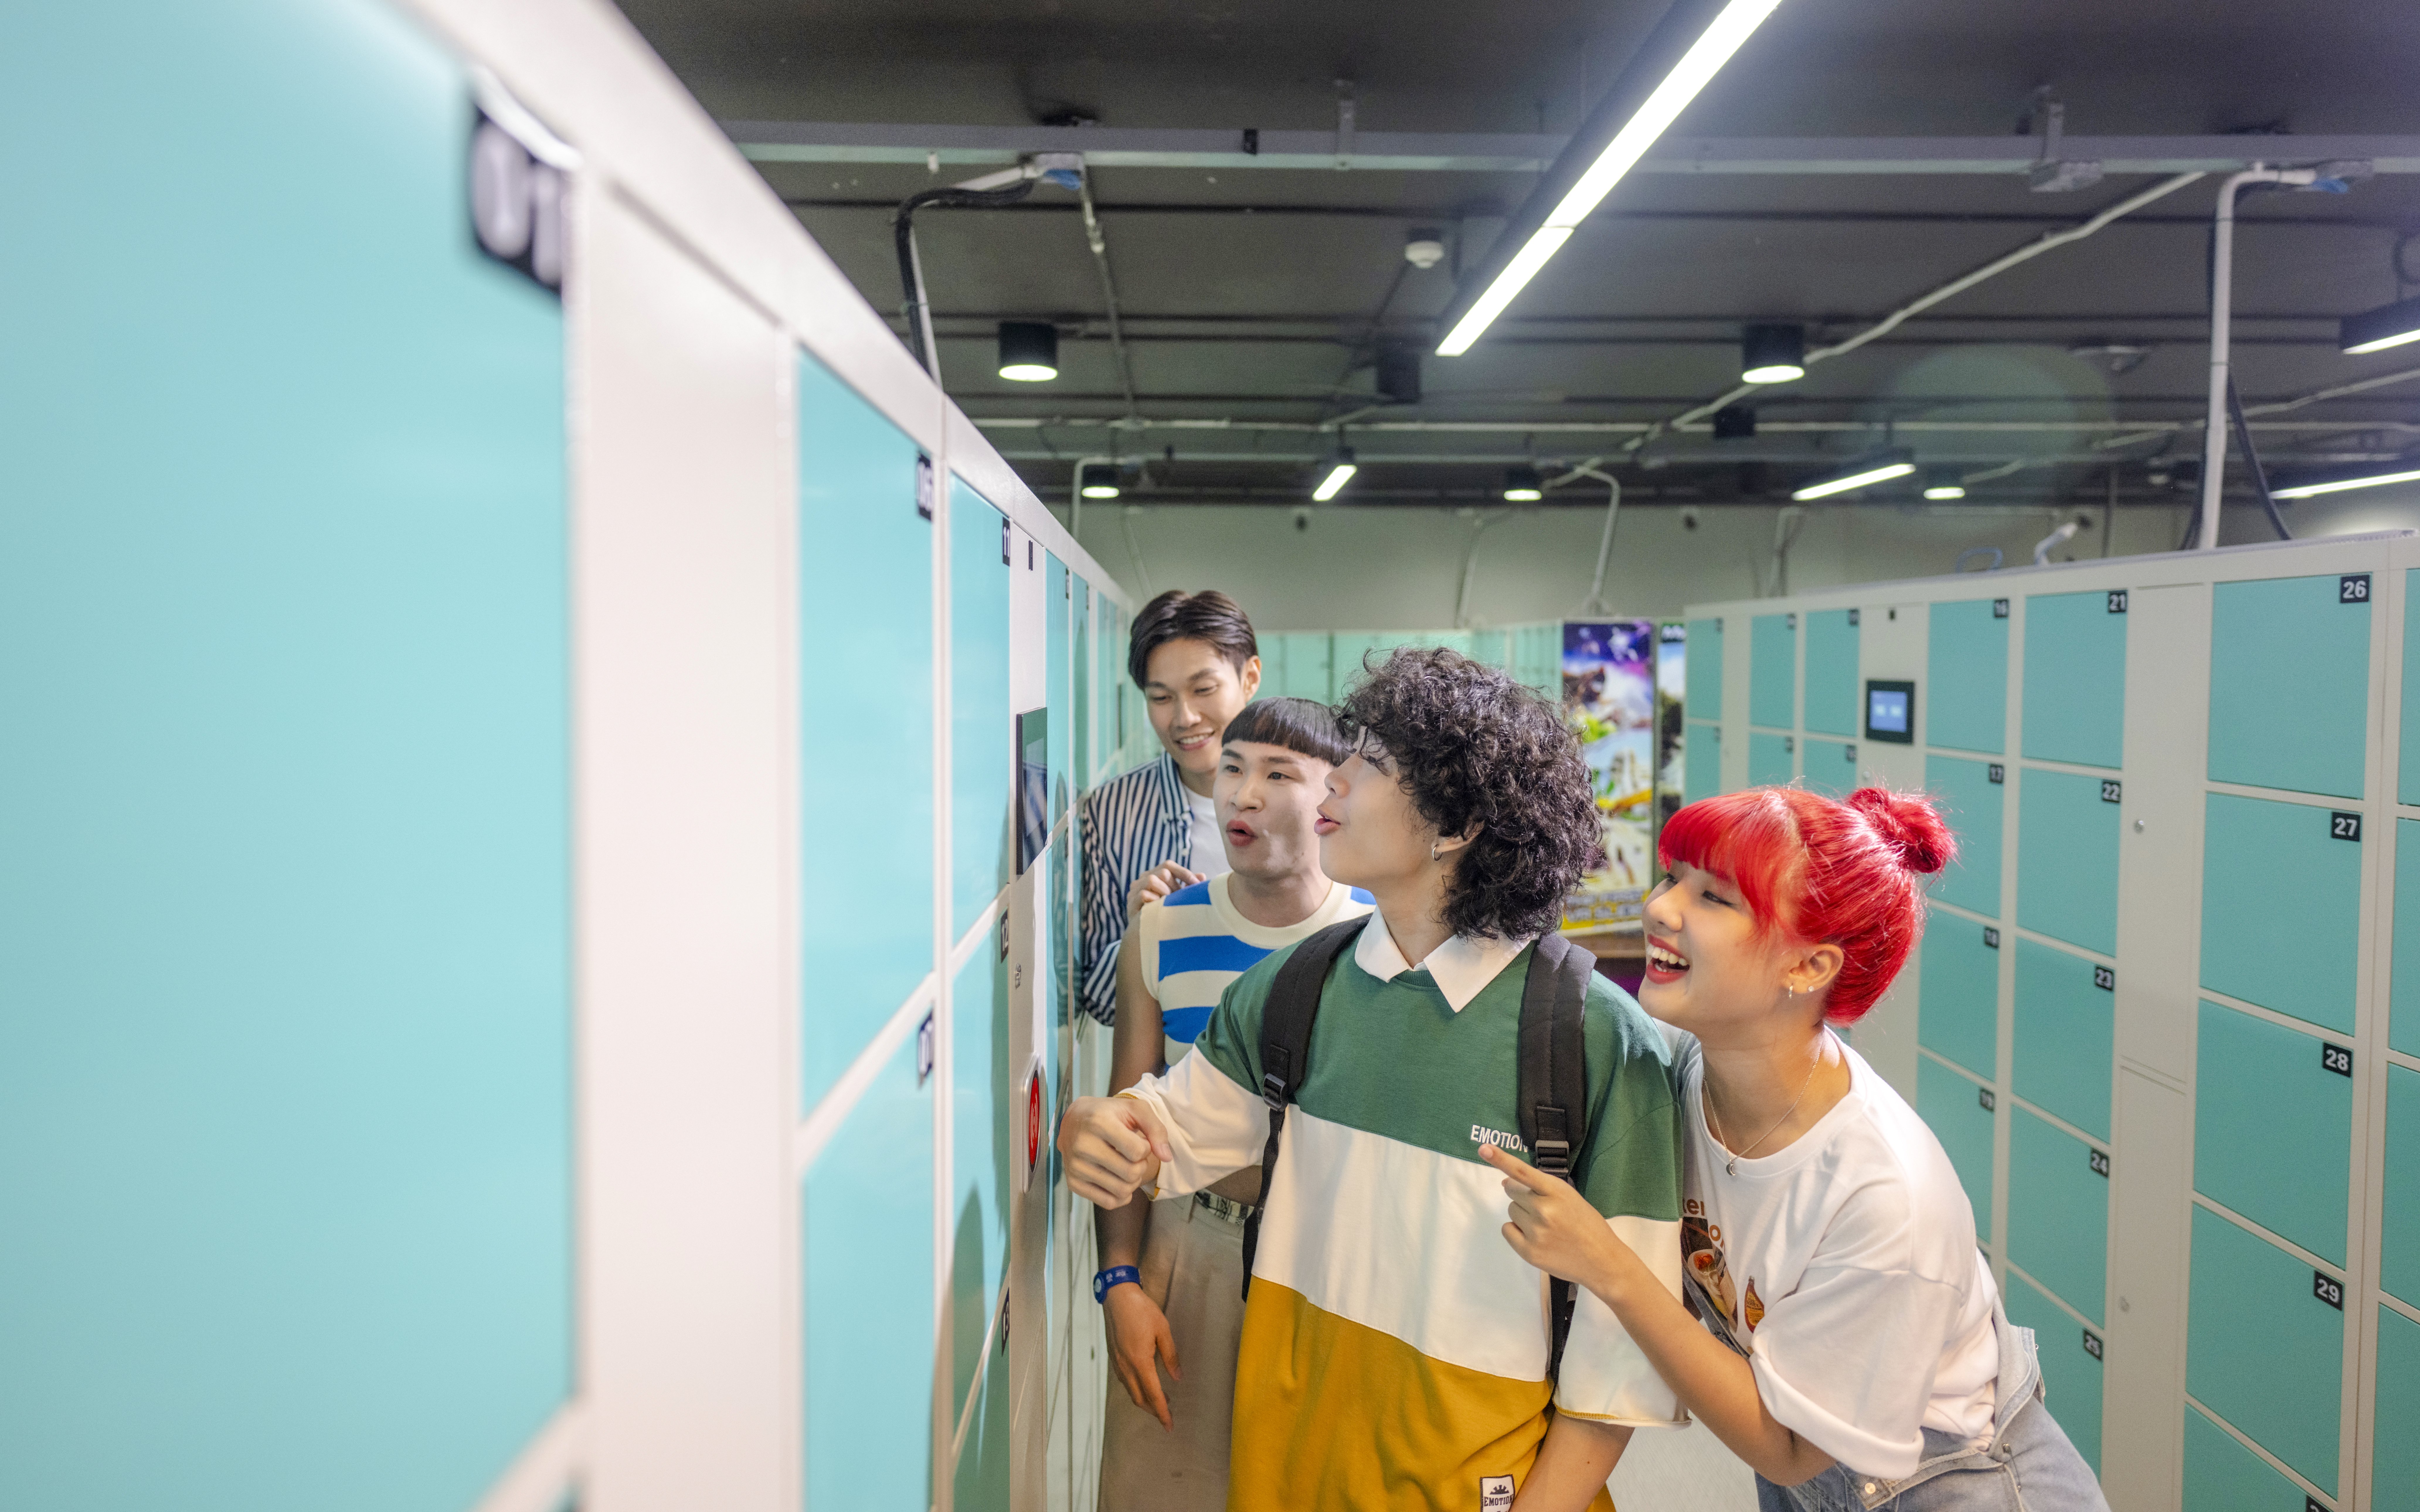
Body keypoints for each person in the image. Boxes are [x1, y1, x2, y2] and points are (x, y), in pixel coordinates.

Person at [1061, 647, 1688, 1512]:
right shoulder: (1292, 988)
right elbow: (1159, 1136)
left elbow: (1627, 1345)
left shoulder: (1590, 1035)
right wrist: (1101, 1133)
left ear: (1455, 824)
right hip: (1285, 1473)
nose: (1334, 785)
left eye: (1371, 765)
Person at [1482, 785, 2110, 1512]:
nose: (1659, 907)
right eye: (1673, 876)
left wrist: (1611, 1267)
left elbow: (1787, 1451)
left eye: (1714, 899)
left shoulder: (1886, 1199)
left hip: (1957, 1490)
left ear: (1809, 969)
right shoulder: (1689, 1072)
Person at [1095, 697, 1374, 1512]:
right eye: (1233, 768)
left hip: (1335, 1250)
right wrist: (1121, 1280)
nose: (1242, 793)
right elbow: (1128, 1119)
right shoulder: (1161, 931)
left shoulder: (1377, 934)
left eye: (1278, 774)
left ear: (1336, 795)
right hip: (1192, 1242)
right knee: (1168, 1485)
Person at [1078, 590, 1262, 1032]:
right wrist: (1139, 936)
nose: (1185, 718)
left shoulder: (1319, 801)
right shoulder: (1112, 815)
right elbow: (1102, 1004)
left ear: (1250, 677)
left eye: (1204, 690)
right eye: (1161, 698)